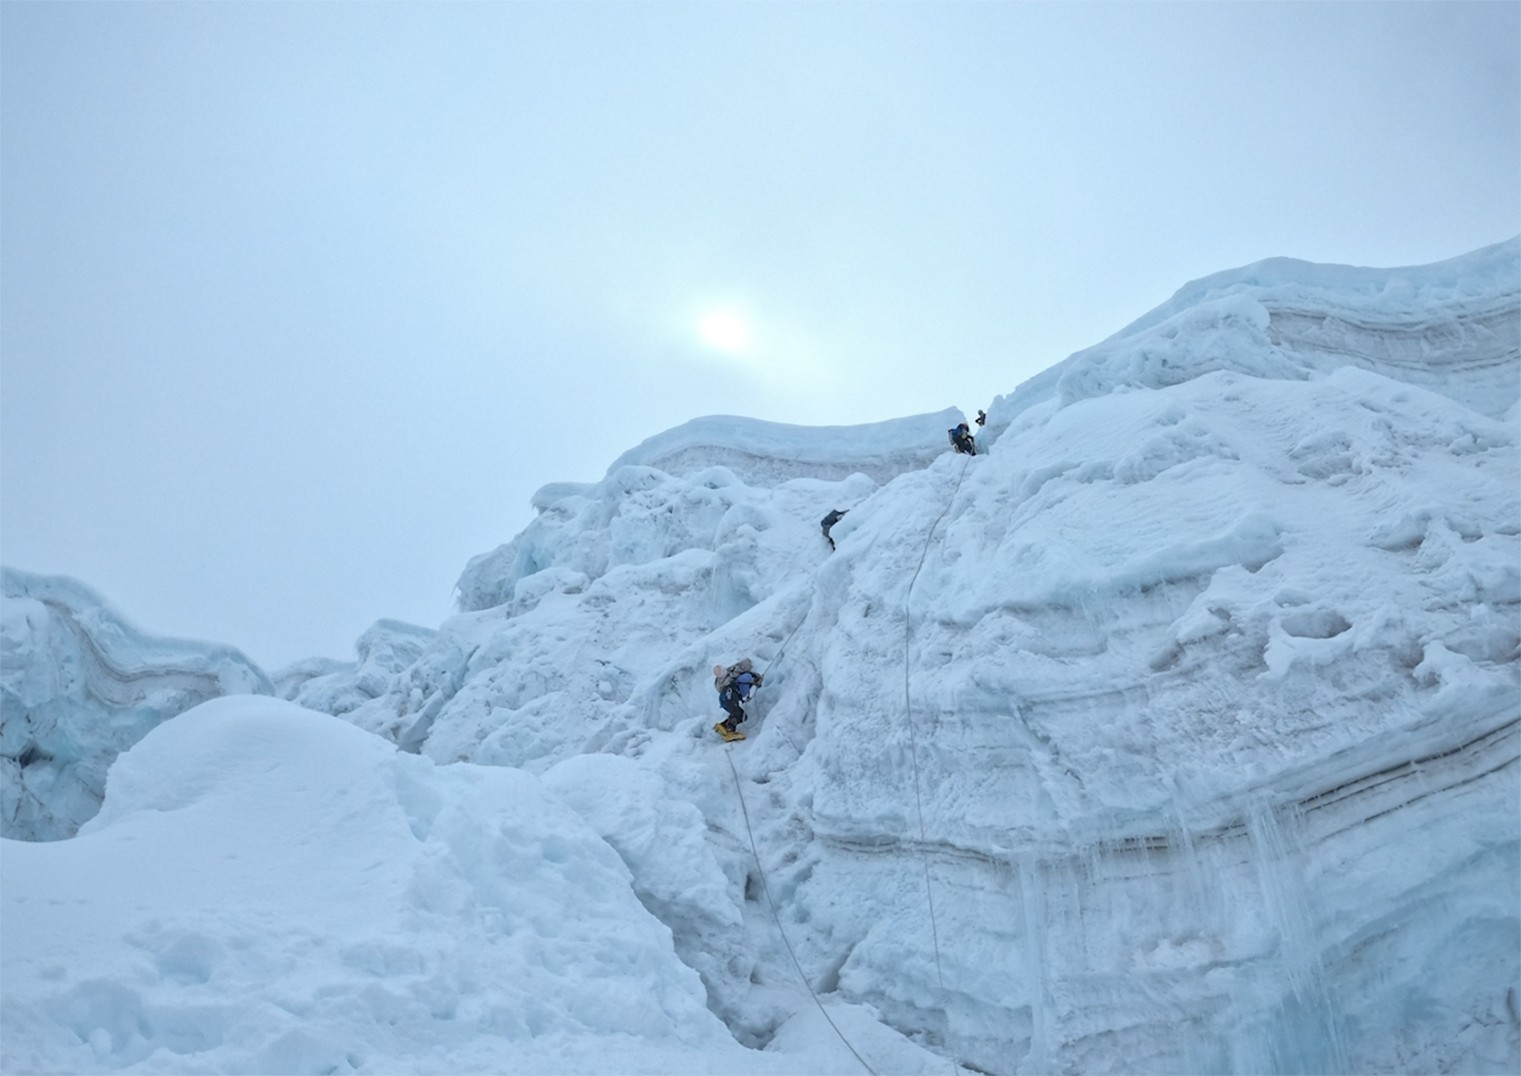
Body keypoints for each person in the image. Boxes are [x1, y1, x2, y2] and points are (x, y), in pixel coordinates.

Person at [712, 659, 763, 741]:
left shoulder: (725, 680)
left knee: (740, 715)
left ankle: (724, 725)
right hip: (730, 696)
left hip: (724, 699)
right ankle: (730, 731)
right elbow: (745, 678)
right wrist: (756, 680)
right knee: (738, 714)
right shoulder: (744, 675)